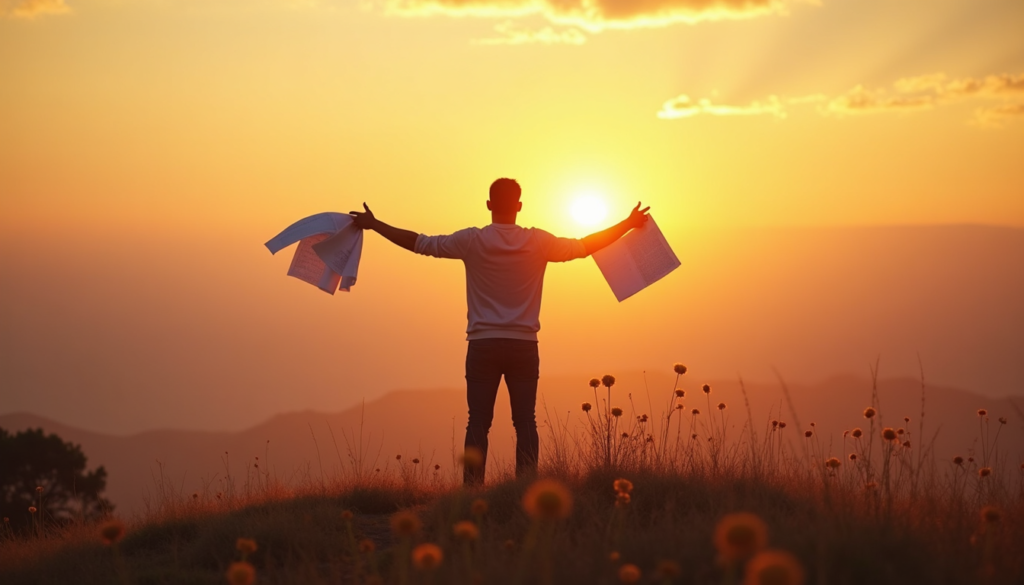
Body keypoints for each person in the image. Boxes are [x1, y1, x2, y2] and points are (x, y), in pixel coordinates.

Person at [350, 178, 649, 484]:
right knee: (525, 422)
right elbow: (585, 246)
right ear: (519, 206)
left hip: (482, 345)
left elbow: (420, 243)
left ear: (489, 205)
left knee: (478, 422)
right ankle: (525, 490)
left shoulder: (472, 240)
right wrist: (627, 223)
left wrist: (375, 224)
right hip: (524, 346)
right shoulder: (538, 241)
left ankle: (472, 491)